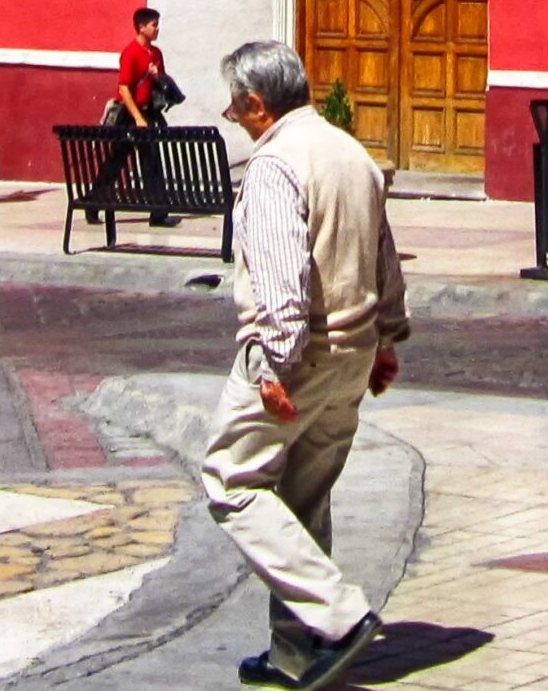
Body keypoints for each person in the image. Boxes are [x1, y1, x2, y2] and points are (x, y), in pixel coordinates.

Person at [200, 38, 404, 691]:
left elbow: (281, 278)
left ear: (257, 104)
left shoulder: (274, 165)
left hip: (301, 351)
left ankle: (341, 615)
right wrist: (388, 338)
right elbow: (384, 254)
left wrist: (272, 364)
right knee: (304, 494)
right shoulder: (351, 152)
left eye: (235, 108)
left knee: (230, 480)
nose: (236, 117)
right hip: (355, 348)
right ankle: (292, 653)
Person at [94, 5, 178, 229]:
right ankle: (93, 202)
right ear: (142, 27)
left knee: (152, 162)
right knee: (116, 161)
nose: (157, 29)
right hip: (131, 115)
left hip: (149, 113)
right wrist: (137, 118)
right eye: (154, 25)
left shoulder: (156, 53)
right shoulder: (131, 52)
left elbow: (161, 84)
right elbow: (124, 88)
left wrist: (158, 76)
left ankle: (158, 213)